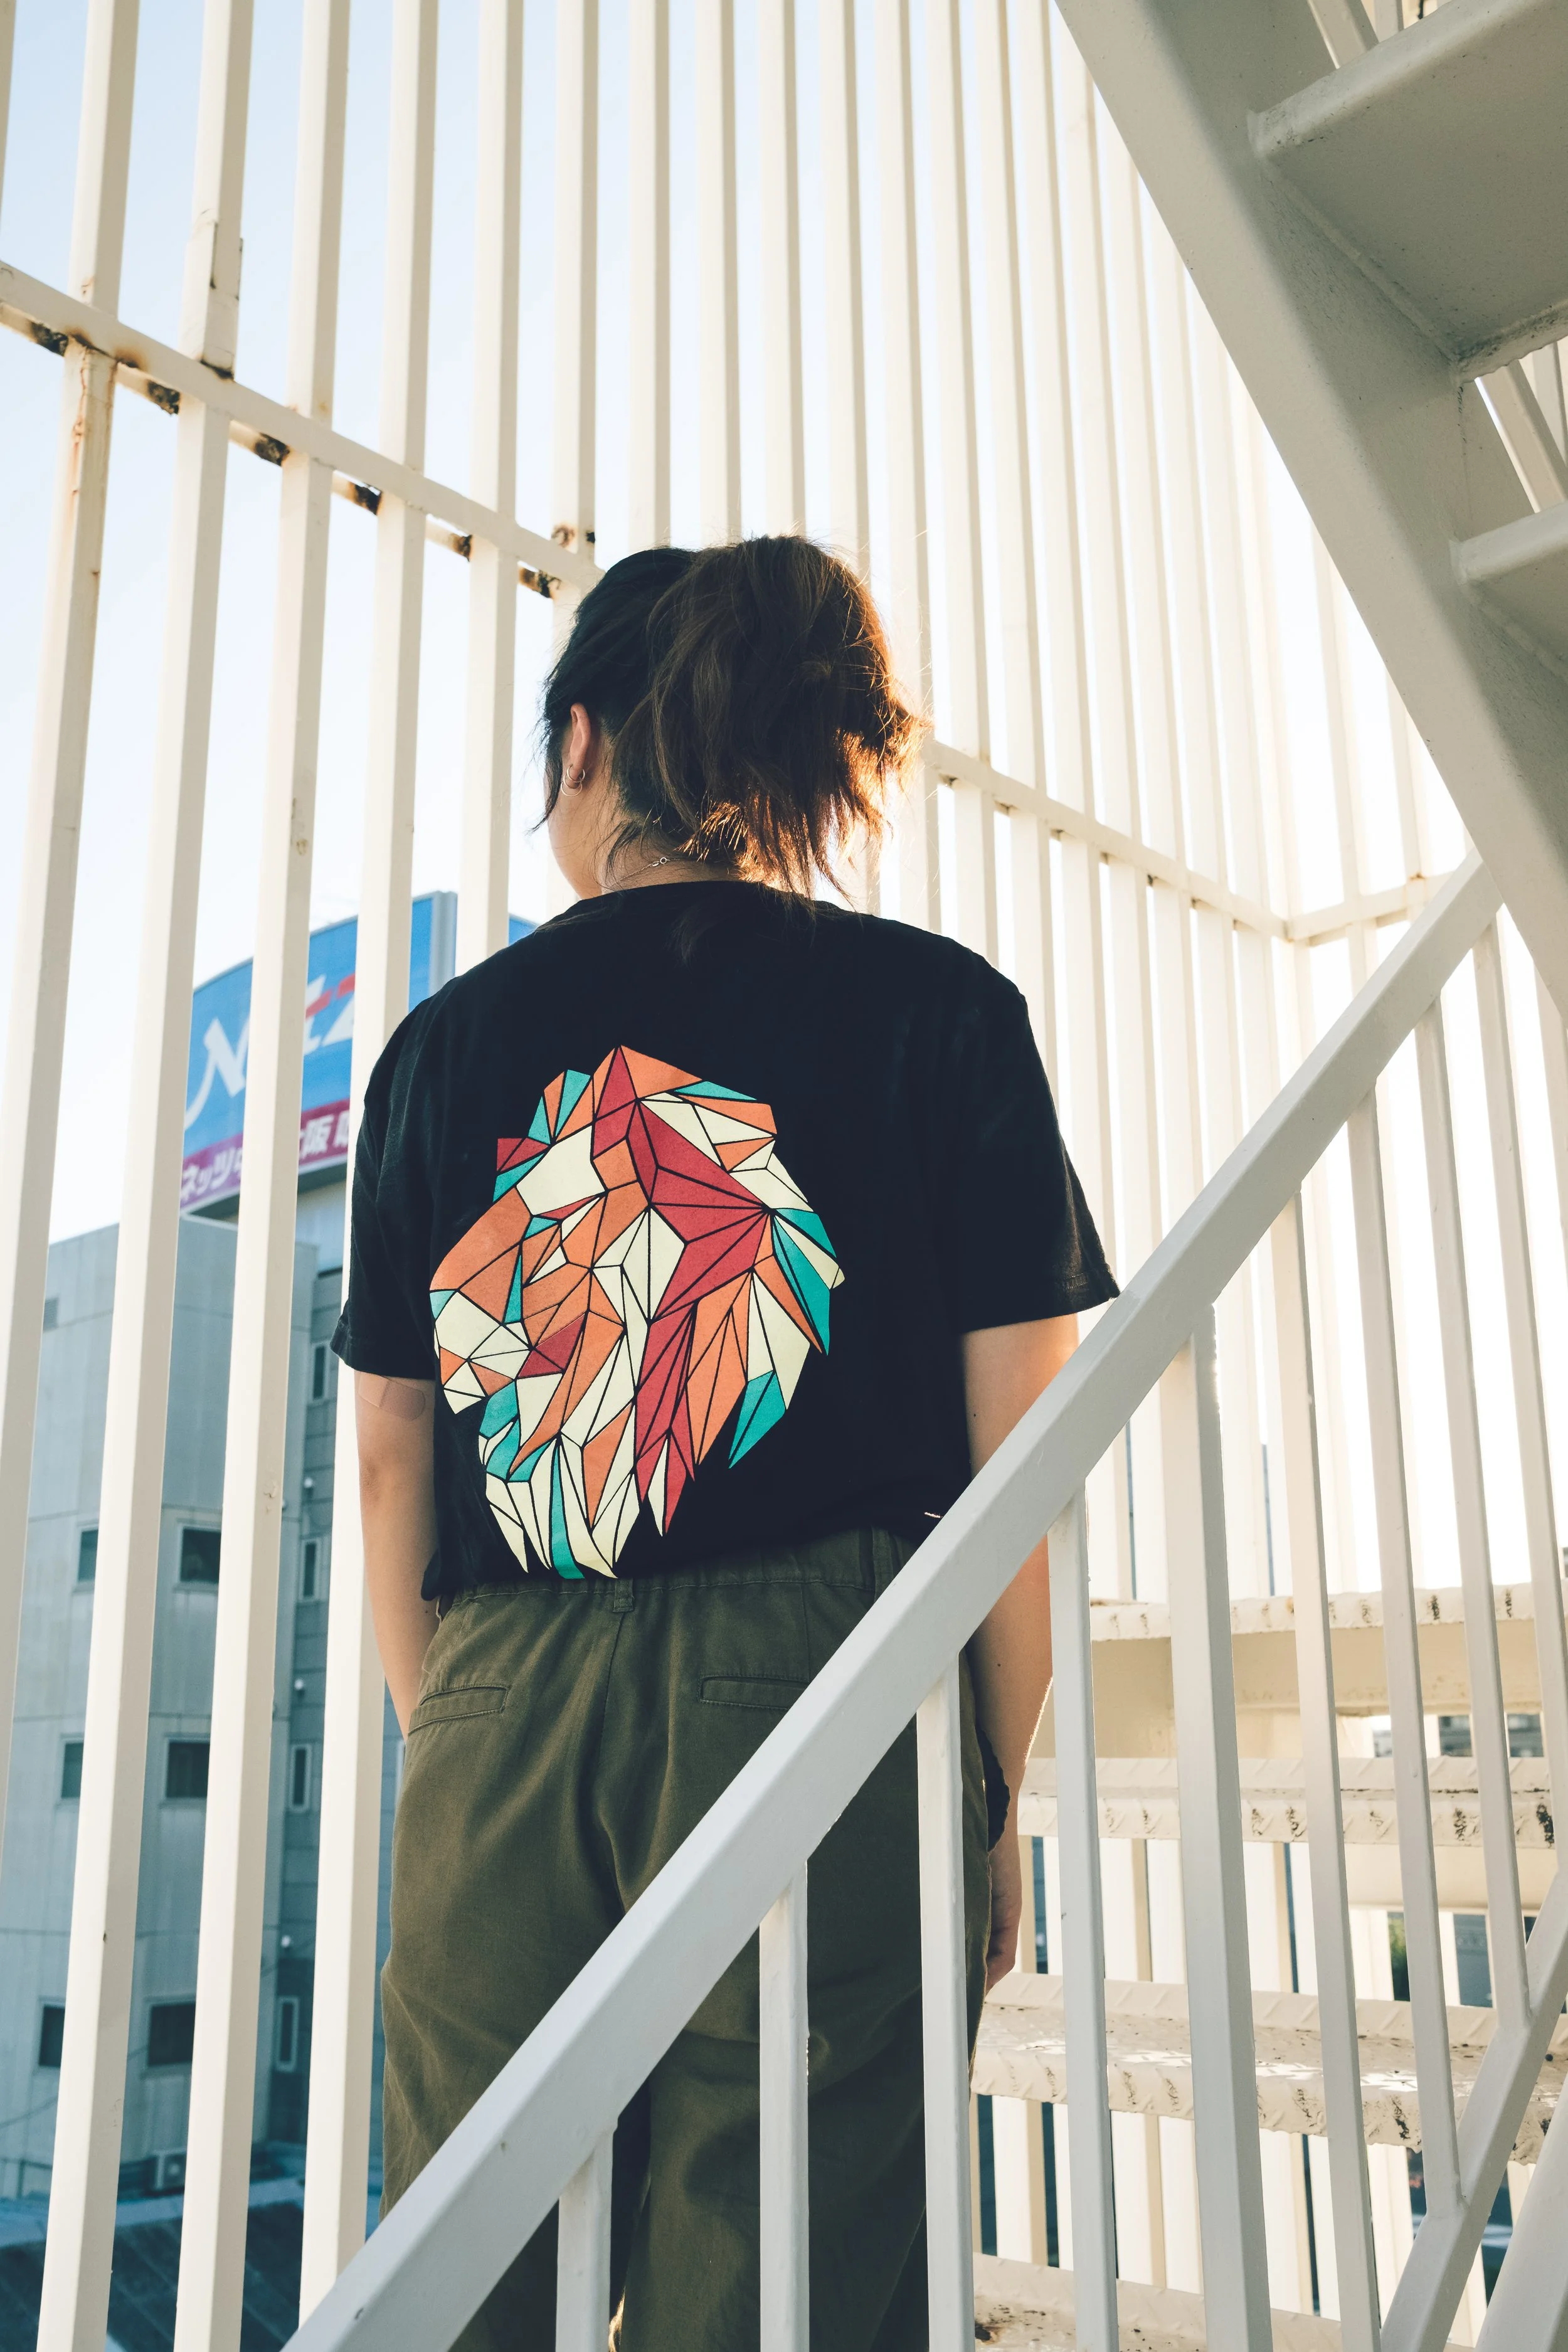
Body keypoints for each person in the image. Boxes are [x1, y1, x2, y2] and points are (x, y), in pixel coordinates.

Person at [335, 537, 1116, 2350]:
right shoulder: (943, 1012)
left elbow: (388, 1458)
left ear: (584, 742)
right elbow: (1021, 1465)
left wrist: (457, 1727)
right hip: (830, 1684)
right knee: (788, 2283)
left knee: (471, 2274)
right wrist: (990, 1788)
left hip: (505, 1681)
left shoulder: (439, 1053)